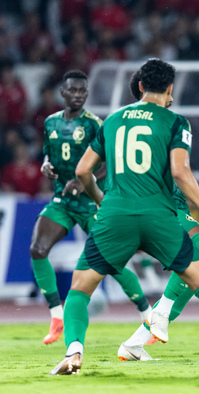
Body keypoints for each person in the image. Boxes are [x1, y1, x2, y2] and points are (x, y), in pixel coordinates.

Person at [49, 59, 199, 375]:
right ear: (169, 88)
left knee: (79, 291)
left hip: (115, 214)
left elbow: (83, 170)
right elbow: (180, 171)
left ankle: (73, 353)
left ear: (139, 86)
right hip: (157, 215)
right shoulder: (175, 122)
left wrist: (101, 200)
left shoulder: (111, 121)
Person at [117, 69, 199, 360]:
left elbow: (97, 166)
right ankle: (160, 313)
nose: (172, 96)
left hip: (157, 204)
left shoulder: (119, 123)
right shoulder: (172, 124)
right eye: (169, 89)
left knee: (194, 268)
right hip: (160, 204)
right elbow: (180, 172)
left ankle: (137, 341)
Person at [30, 70, 150, 345]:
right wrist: (45, 164)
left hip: (91, 202)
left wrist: (87, 181)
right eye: (72, 90)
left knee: (112, 260)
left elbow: (110, 162)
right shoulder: (50, 122)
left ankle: (147, 313)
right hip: (62, 201)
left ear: (86, 94)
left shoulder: (95, 124)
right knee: (37, 249)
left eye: (82, 92)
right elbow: (49, 152)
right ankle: (56, 316)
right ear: (63, 92)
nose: (77, 95)